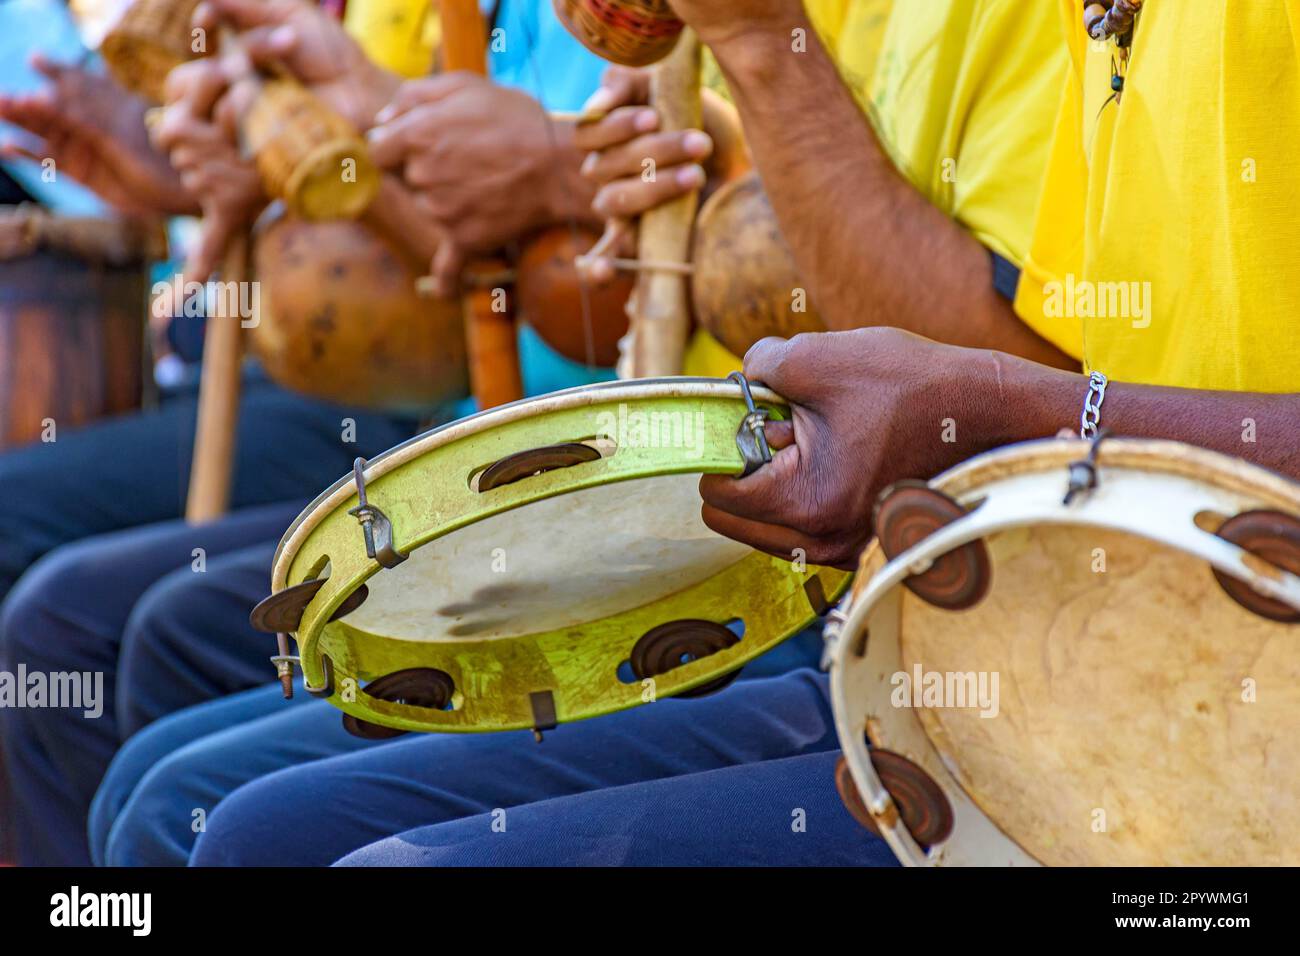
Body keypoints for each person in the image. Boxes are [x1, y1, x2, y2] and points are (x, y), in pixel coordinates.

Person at [92, 0, 1089, 867]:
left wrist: (724, 72)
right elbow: (551, 306)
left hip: (914, 590)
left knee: (230, 816)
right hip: (684, 493)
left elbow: (991, 402)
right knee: (162, 725)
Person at [333, 0, 1300, 865]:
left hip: (1210, 726)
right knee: (243, 810)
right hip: (1054, 652)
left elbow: (1014, 383)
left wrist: (758, 47)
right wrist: (670, 174)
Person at [0, 0, 623, 866]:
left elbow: (541, 299)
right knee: (94, 623)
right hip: (451, 416)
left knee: (173, 769)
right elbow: (449, 263)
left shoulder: (651, 33)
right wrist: (254, 175)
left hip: (576, 454)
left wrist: (542, 169)